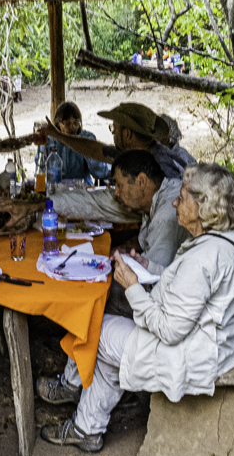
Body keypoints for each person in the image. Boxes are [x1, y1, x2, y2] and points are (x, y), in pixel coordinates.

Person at [37, 163, 234, 452]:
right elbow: (188, 289)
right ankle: (86, 425)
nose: (174, 202)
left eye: (182, 198)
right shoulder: (225, 241)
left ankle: (83, 420)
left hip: (196, 355)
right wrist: (148, 266)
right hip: (217, 343)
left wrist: (132, 286)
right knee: (105, 330)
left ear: (204, 206)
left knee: (96, 331)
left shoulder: (203, 258)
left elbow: (169, 330)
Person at [103, 150, 189, 317]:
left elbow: (150, 285)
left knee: (102, 293)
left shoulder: (166, 215)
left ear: (141, 181)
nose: (116, 193)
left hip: (167, 307)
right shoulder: (162, 195)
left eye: (119, 185)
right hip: (172, 290)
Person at [44, 102, 195, 181]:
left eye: (114, 129)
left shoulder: (162, 166)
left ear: (127, 134)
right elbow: (94, 149)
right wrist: (58, 135)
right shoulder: (133, 153)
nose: (113, 133)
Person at [34, 102, 111, 185]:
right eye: (67, 124)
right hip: (55, 188)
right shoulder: (47, 141)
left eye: (76, 123)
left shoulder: (86, 138)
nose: (72, 127)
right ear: (58, 124)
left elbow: (100, 173)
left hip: (82, 189)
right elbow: (40, 171)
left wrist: (86, 151)